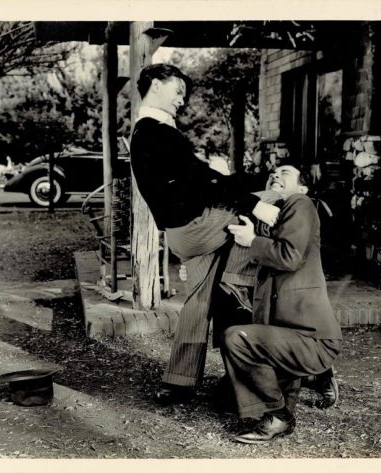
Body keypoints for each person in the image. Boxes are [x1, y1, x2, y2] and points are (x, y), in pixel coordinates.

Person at [130, 64, 281, 405]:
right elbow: (204, 180)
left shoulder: (144, 133)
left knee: (197, 302)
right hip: (198, 228)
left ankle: (178, 382)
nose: (182, 100)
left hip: (181, 234)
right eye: (177, 90)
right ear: (155, 85)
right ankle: (236, 285)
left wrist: (239, 181)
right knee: (273, 200)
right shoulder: (157, 131)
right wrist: (257, 202)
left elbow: (196, 181)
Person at [223, 164, 342, 444]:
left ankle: (282, 413)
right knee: (224, 398)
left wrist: (252, 240)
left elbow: (289, 256)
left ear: (303, 187)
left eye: (285, 172)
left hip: (310, 337)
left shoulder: (300, 203)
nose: (276, 174)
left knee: (236, 339)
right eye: (273, 172)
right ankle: (313, 378)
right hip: (287, 335)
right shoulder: (272, 218)